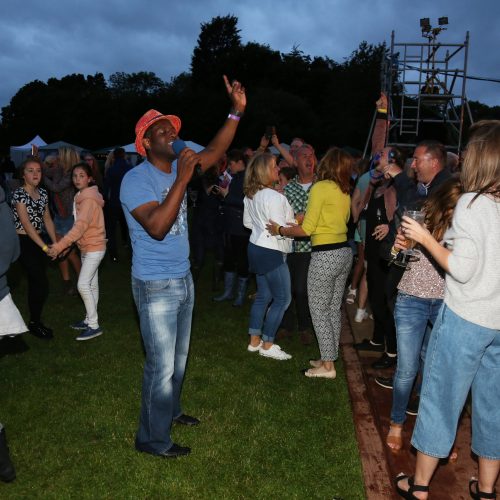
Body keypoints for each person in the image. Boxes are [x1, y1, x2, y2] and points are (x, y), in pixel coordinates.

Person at [120, 75, 246, 458]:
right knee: (159, 366)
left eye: (173, 129)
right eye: (162, 131)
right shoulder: (134, 180)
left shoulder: (182, 158)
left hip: (183, 277)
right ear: (146, 144)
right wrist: (184, 177)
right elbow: (157, 227)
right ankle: (151, 439)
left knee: (177, 360)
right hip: (155, 284)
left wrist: (236, 111)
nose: (172, 135)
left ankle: (170, 413)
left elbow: (216, 147)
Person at [394, 120, 500, 499]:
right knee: (492, 406)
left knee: (441, 400)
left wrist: (423, 237)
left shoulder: (473, 204)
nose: (464, 156)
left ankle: (419, 487)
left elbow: (462, 268)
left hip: (466, 318)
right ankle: (487, 489)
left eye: (470, 150)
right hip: (499, 324)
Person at [385, 178, 462, 452]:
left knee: (434, 371)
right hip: (411, 300)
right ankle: (396, 423)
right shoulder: (420, 219)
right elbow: (394, 258)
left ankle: (434, 435)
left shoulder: (465, 228)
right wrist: (397, 247)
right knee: (407, 369)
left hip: (445, 302)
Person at [268, 147, 353, 378]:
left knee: (319, 311)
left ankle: (328, 367)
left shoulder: (320, 187)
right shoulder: (344, 189)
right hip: (344, 253)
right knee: (333, 310)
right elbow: (342, 220)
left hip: (325, 255)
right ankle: (328, 357)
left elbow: (307, 230)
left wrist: (280, 229)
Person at [47, 162, 106, 341]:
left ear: (90, 179)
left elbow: (79, 227)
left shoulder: (87, 200)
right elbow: (80, 228)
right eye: (75, 176)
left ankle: (94, 325)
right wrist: (72, 245)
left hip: (95, 247)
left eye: (82, 176)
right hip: (87, 246)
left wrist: (59, 246)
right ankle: (89, 319)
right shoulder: (80, 196)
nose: (77, 179)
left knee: (82, 285)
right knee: (92, 285)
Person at [243, 153, 294, 360]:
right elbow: (281, 229)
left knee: (264, 295)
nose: (278, 170)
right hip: (271, 249)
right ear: (263, 170)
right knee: (283, 298)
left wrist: (262, 225)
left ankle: (254, 341)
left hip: (255, 247)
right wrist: (298, 220)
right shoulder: (275, 197)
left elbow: (247, 223)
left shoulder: (250, 195)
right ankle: (268, 344)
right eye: (274, 166)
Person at [10, 157, 57, 339]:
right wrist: (46, 248)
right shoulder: (19, 194)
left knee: (37, 282)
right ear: (23, 175)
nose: (35, 173)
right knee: (40, 281)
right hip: (22, 241)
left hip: (37, 240)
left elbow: (47, 219)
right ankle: (34, 323)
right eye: (30, 170)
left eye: (38, 170)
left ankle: (34, 321)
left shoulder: (43, 193)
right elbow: (26, 225)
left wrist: (56, 243)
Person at [277, 144, 316, 345]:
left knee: (301, 289)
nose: (309, 160)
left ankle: (304, 327)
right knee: (286, 288)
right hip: (288, 244)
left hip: (310, 247)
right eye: (304, 156)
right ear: (296, 161)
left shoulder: (321, 186)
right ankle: (286, 325)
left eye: (312, 156)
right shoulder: (289, 187)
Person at [212, 149, 250, 306]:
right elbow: (224, 193)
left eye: (232, 164)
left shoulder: (248, 179)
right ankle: (228, 292)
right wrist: (220, 191)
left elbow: (247, 202)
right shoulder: (230, 176)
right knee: (228, 259)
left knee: (242, 261)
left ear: (240, 162)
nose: (230, 166)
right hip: (227, 225)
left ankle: (240, 295)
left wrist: (227, 195)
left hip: (241, 228)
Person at [43, 147, 82, 295]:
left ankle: (82, 282)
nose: (57, 157)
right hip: (59, 216)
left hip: (70, 217)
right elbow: (45, 172)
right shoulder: (59, 169)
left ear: (66, 156)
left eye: (60, 155)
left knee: (70, 253)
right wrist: (42, 165)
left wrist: (41, 177)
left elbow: (56, 187)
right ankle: (67, 283)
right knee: (60, 250)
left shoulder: (74, 173)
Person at [103, 147, 131, 262]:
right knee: (130, 228)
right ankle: (132, 253)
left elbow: (106, 187)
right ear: (124, 155)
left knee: (111, 229)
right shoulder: (130, 168)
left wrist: (105, 199)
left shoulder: (111, 169)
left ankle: (113, 254)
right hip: (128, 202)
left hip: (114, 201)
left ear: (114, 156)